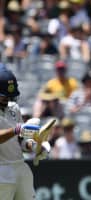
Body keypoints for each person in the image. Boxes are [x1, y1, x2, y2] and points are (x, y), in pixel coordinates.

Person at [0, 64, 51, 200]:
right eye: (4, 97)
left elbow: (20, 140)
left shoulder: (13, 108)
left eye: (10, 97)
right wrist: (17, 130)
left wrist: (34, 146)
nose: (8, 101)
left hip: (21, 169)